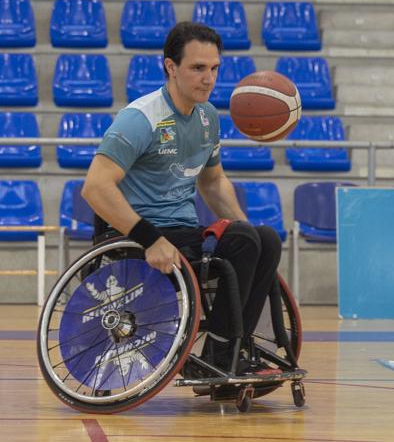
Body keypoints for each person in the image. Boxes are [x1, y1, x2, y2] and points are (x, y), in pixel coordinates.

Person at [81, 22, 282, 375]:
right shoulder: (140, 118)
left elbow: (214, 182)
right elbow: (95, 188)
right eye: (198, 68)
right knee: (245, 241)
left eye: (215, 68)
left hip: (183, 232)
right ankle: (216, 360)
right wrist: (150, 239)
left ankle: (233, 349)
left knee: (263, 238)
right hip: (138, 234)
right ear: (171, 67)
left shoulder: (208, 117)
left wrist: (246, 229)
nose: (209, 78)